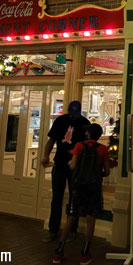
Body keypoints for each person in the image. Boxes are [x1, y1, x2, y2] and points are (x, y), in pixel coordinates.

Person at [53, 123, 110, 265]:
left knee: (71, 217)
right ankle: (85, 253)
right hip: (94, 188)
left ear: (88, 134)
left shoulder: (78, 146)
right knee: (91, 218)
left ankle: (59, 251)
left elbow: (72, 166)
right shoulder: (103, 149)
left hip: (78, 187)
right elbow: (107, 171)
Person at [41, 100, 90, 242]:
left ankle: (71, 230)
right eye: (72, 114)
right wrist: (45, 155)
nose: (73, 117)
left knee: (75, 198)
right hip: (60, 163)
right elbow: (51, 140)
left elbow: (86, 146)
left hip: (76, 166)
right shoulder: (60, 121)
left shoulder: (84, 123)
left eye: (76, 114)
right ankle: (53, 230)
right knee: (57, 197)